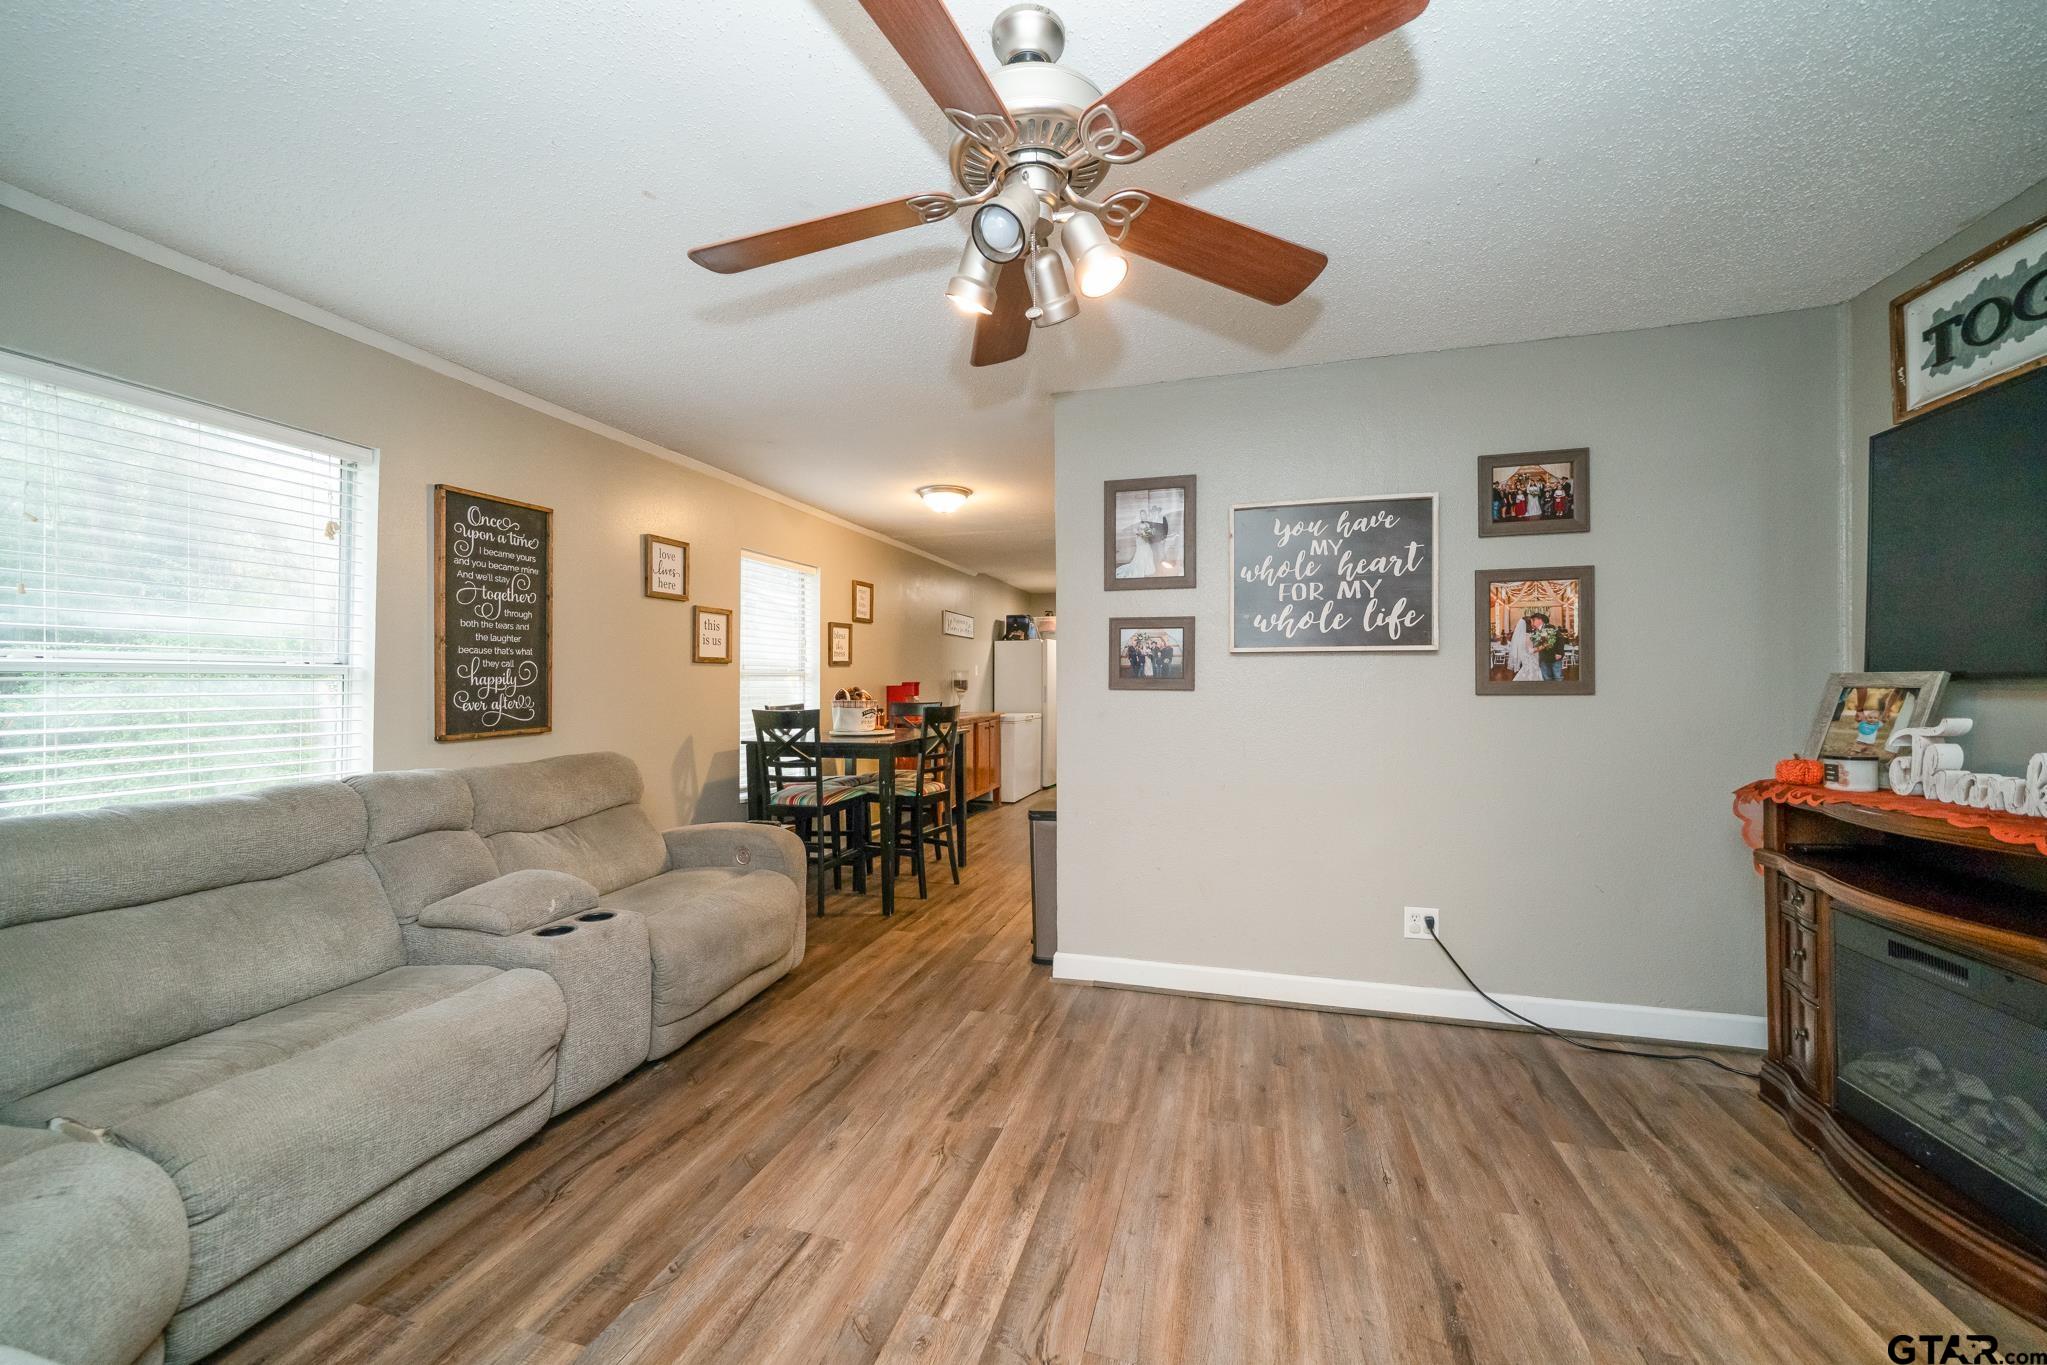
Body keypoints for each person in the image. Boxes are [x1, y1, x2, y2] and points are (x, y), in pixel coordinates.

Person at [1528, 612, 1566, 681]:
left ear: (1540, 620)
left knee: (1557, 677)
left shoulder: (1550, 627)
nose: (1532, 622)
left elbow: (1560, 639)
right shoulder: (1536, 631)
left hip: (1554, 656)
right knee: (1546, 678)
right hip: (1543, 658)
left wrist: (1559, 653)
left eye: (1534, 620)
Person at [1505, 617, 1543, 681]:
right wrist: (1543, 646)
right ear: (1527, 624)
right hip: (1530, 661)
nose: (1532, 624)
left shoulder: (1521, 636)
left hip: (1526, 660)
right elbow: (1531, 651)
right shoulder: (1527, 636)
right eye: (1531, 622)